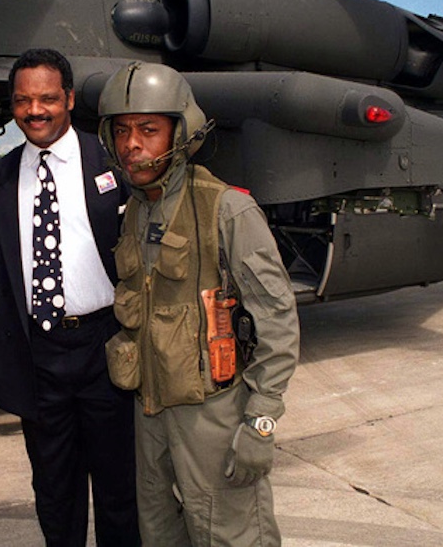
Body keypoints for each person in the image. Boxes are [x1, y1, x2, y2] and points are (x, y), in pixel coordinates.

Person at [97, 60, 300, 546]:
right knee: (160, 534)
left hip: (214, 415)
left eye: (149, 129)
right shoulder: (136, 210)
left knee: (232, 535)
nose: (132, 144)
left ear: (181, 132)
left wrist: (261, 421)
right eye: (122, 131)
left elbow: (277, 322)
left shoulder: (226, 208)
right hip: (150, 414)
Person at [0, 48, 140, 547]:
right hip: (39, 355)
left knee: (119, 488)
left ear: (69, 98)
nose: (36, 111)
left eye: (48, 98)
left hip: (105, 348)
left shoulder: (110, 161)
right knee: (54, 490)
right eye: (24, 100)